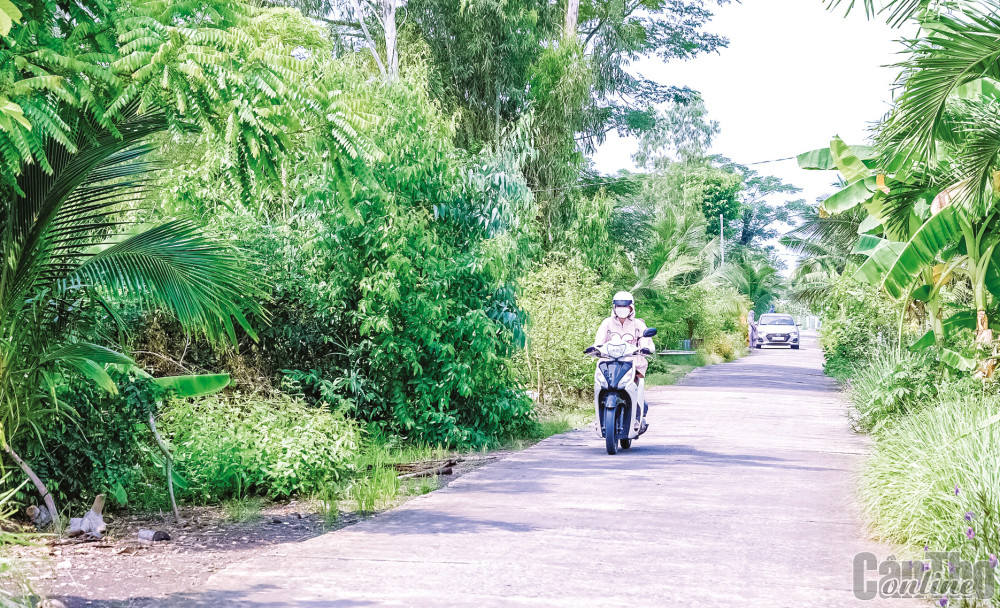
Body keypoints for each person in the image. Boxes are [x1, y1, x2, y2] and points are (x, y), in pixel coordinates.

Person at [593, 291, 655, 379]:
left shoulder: (638, 324)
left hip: (633, 362)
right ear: (614, 307)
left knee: (638, 375)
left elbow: (645, 341)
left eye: (625, 306)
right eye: (619, 306)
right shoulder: (607, 323)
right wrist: (595, 348)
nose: (622, 309)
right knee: (599, 377)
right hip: (608, 362)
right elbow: (599, 341)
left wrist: (645, 349)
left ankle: (637, 390)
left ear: (631, 307)